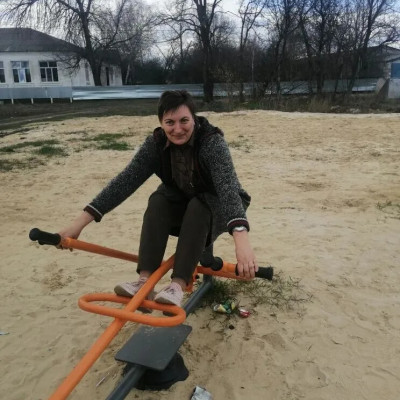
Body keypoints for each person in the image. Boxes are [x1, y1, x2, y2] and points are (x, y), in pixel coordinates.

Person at [58, 90, 258, 308]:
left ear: (194, 118)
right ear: (161, 123)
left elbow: (228, 190)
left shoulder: (212, 143)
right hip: (185, 201)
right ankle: (144, 281)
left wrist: (241, 241)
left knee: (199, 206)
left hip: (221, 207)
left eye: (184, 121)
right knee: (158, 199)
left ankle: (177, 285)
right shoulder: (156, 145)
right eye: (170, 122)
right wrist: (77, 225)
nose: (177, 129)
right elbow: (123, 183)